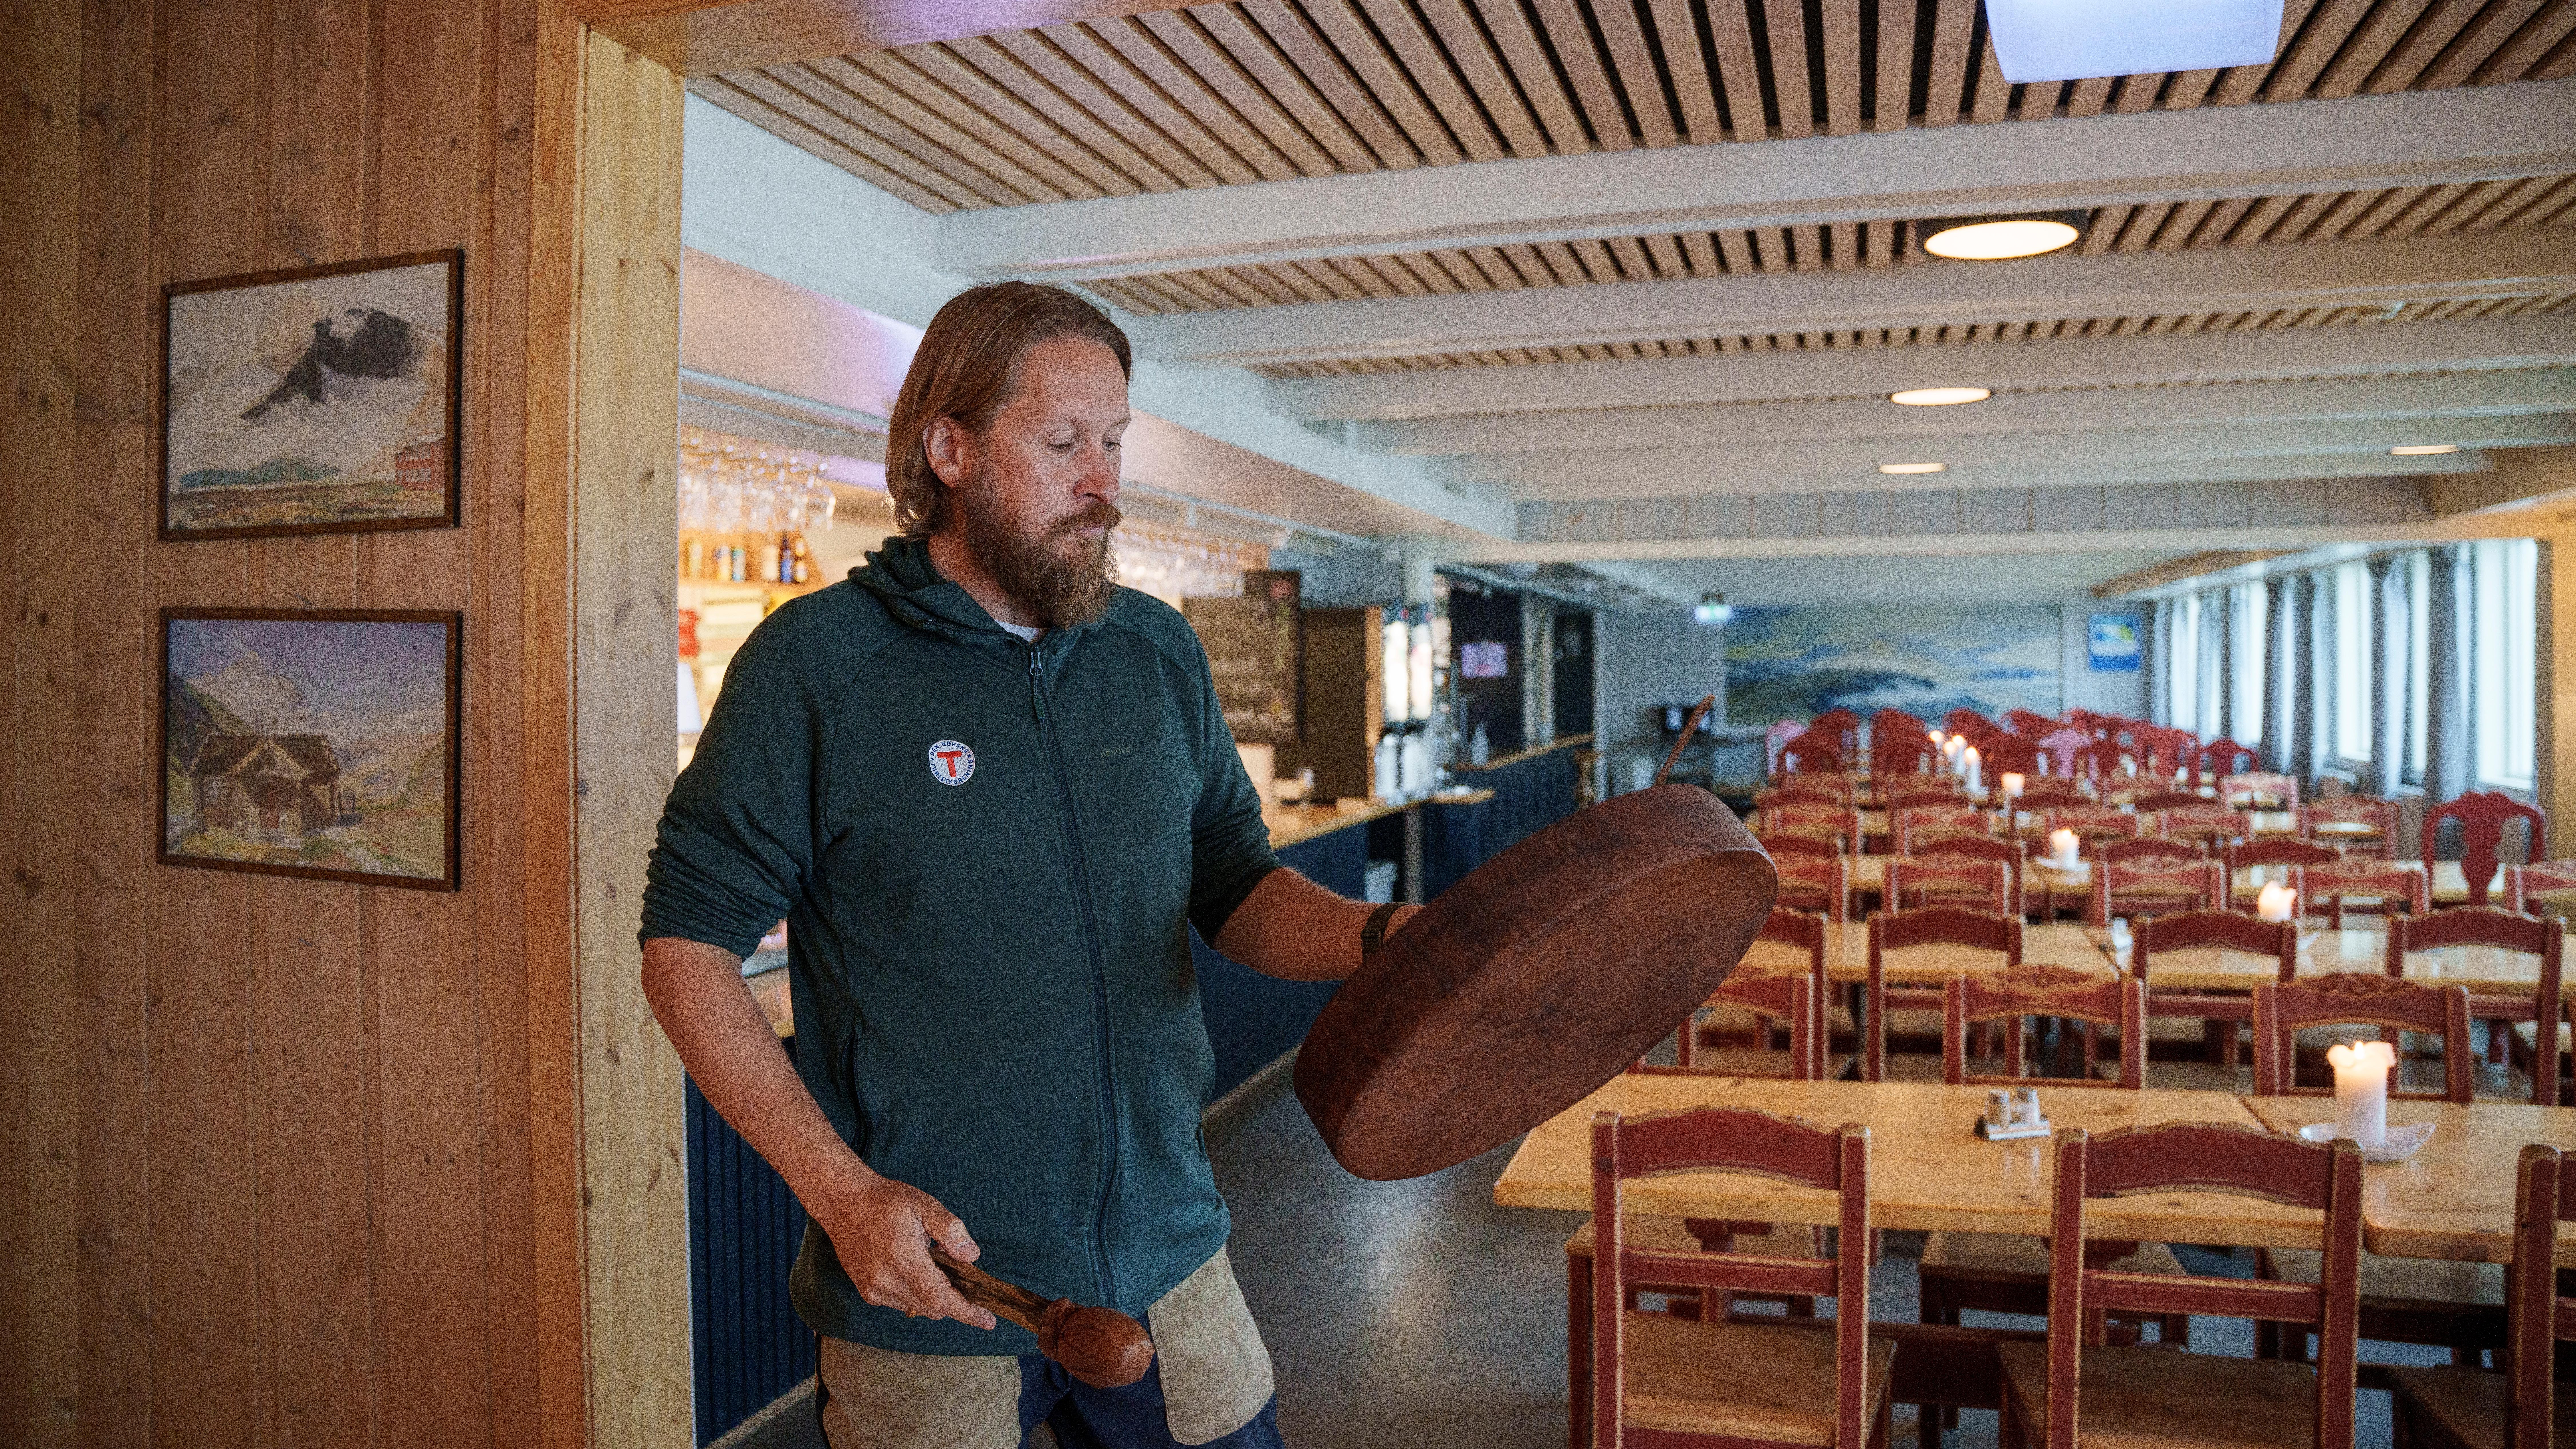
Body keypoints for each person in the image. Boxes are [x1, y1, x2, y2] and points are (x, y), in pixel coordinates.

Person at [638, 281, 1418, 1449]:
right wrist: (841, 1195)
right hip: (939, 1284)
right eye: (1063, 444)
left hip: (1171, 1259)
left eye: (1114, 442)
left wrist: (1387, 939)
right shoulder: (820, 666)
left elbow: (1234, 884)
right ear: (949, 449)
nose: (1104, 483)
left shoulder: (1156, 651)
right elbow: (686, 951)